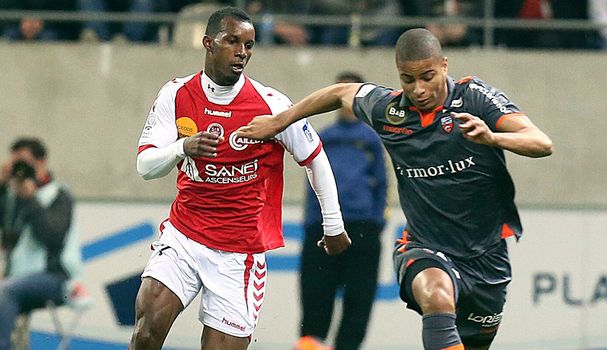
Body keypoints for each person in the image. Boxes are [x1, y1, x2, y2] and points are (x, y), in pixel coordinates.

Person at [237, 28, 553, 350]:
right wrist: (280, 122)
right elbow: (342, 92)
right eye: (407, 79)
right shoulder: (389, 111)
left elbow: (541, 143)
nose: (418, 89)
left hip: (487, 254)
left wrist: (493, 138)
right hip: (425, 246)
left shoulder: (474, 98)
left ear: (444, 65)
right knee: (436, 294)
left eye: (427, 76)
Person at [132, 7, 351, 350]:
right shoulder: (175, 95)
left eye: (249, 45)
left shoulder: (270, 105)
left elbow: (316, 159)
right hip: (184, 236)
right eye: (232, 41)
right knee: (146, 333)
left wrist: (333, 224)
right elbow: (145, 165)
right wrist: (182, 147)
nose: (242, 52)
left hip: (239, 255)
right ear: (208, 43)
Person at [296, 72, 388, 350]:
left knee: (358, 303)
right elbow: (310, 183)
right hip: (321, 228)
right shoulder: (322, 137)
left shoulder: (372, 140)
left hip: (362, 227)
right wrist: (314, 222)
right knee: (315, 299)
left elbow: (383, 186)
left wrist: (375, 222)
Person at [0, 137, 82, 350]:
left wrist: (31, 199)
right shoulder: (11, 196)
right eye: (16, 164)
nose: (21, 170)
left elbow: (52, 236)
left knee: (5, 291)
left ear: (41, 162)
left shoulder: (59, 194)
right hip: (15, 278)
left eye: (25, 164)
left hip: (54, 277)